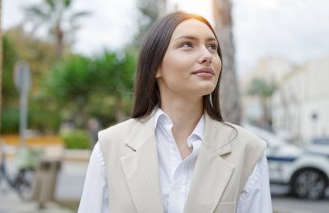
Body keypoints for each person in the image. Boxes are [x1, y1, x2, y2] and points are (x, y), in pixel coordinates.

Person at [78, 11, 272, 213]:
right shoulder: (110, 148)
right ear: (155, 67)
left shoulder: (248, 151)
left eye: (212, 47)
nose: (207, 55)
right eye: (187, 44)